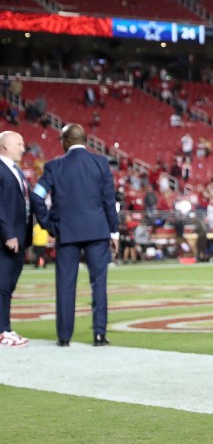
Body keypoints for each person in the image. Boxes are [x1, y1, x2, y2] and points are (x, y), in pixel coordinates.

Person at [32, 123, 118, 347]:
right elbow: (109, 201)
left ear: (66, 141)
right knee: (99, 284)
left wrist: (49, 225)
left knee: (65, 285)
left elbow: (36, 196)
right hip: (97, 231)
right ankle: (99, 335)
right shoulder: (100, 163)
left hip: (67, 232)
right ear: (85, 140)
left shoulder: (54, 166)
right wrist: (114, 232)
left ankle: (64, 336)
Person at [0, 131, 32, 347]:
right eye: (18, 143)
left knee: (7, 286)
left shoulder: (15, 170)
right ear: (4, 145)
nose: (23, 148)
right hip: (6, 238)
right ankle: (2, 330)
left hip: (19, 238)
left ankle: (5, 327)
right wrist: (8, 233)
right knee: (2, 285)